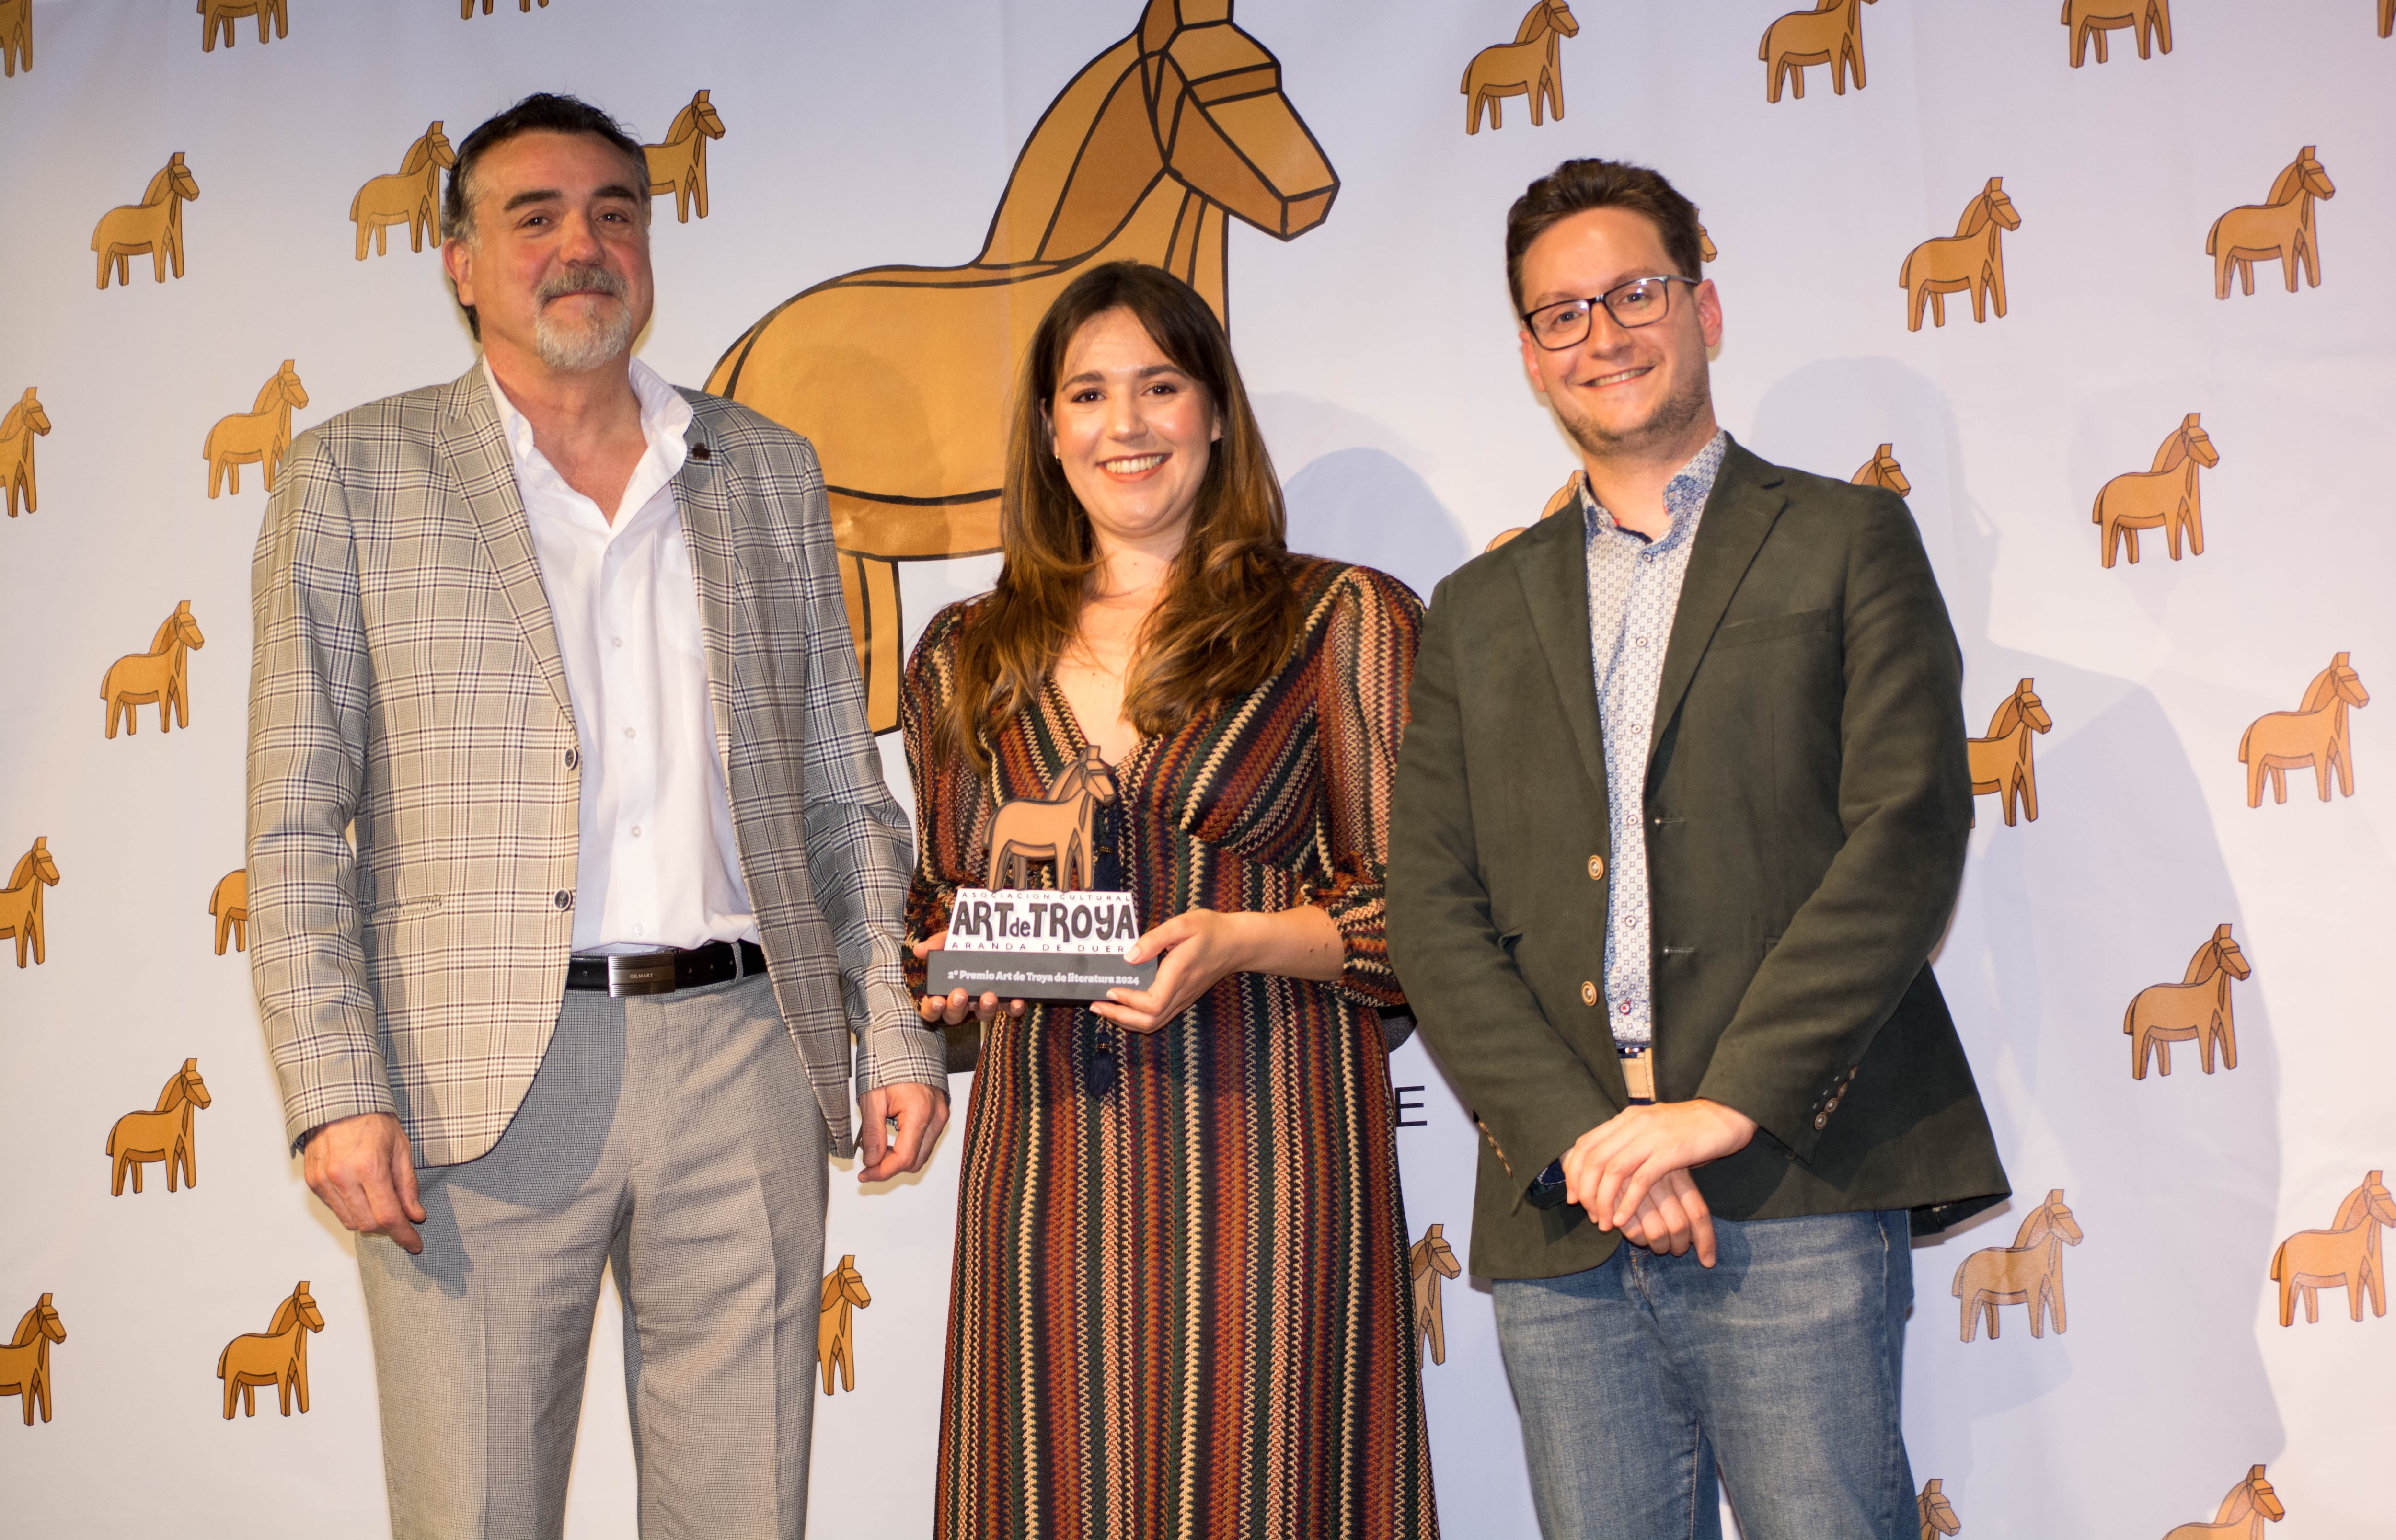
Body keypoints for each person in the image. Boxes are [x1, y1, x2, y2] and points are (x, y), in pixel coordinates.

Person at [245, 92, 947, 1540]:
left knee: (742, 1516)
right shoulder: (352, 479)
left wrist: (894, 1028)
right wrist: (334, 1087)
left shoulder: (764, 470)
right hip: (474, 1089)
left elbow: (840, 790)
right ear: (457, 261)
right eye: (537, 216)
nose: (585, 247)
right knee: (477, 1513)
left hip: (748, 1061)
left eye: (616, 214)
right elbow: (298, 822)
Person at [1386, 158, 2011, 1540]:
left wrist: (1720, 1108)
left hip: (1789, 1179)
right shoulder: (1477, 611)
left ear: (1705, 307)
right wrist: (1587, 1137)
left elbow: (1905, 836)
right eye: (1561, 314)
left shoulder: (1850, 541)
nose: (1601, 333)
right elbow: (1429, 909)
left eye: (1634, 292)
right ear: (1531, 357)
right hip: (1564, 1212)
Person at [902, 261, 1438, 1538]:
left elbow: (1422, 919)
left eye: (1159, 385)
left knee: (1275, 1486)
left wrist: (1251, 936)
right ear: (1047, 430)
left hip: (1276, 1144)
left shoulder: (1341, 619)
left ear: (1213, 411)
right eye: (1088, 394)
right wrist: (947, 969)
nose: (1124, 425)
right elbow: (935, 905)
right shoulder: (966, 652)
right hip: (1049, 1168)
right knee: (1048, 1486)